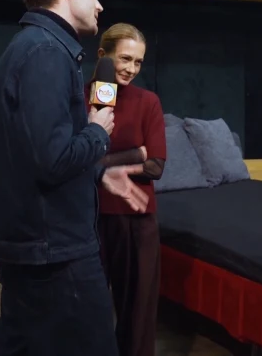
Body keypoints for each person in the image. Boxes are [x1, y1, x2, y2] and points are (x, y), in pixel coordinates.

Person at [0, 0, 149, 356]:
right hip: (55, 248)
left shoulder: (34, 47)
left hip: (37, 243)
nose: (99, 5)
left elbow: (37, 150)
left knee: (20, 342)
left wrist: (98, 172)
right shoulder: (45, 53)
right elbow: (52, 159)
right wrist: (97, 132)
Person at [83, 23, 167, 356]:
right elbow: (72, 158)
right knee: (88, 311)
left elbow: (156, 165)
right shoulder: (79, 97)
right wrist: (134, 155)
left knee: (138, 313)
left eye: (138, 62)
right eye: (125, 59)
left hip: (137, 220)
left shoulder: (148, 102)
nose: (132, 69)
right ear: (103, 56)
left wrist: (100, 161)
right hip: (88, 219)